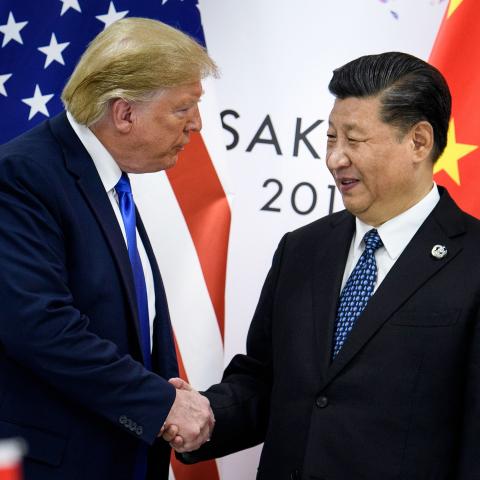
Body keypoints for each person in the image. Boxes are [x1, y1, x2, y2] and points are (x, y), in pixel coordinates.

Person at [166, 51, 480, 479]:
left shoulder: (473, 262)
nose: (335, 158)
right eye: (331, 137)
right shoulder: (303, 249)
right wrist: (203, 415)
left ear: (419, 142)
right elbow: (264, 380)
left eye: (354, 139)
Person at [0, 17, 216, 480]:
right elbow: (39, 325)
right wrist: (161, 403)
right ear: (124, 113)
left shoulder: (109, 181)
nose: (196, 125)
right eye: (183, 108)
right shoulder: (23, 175)